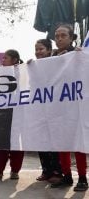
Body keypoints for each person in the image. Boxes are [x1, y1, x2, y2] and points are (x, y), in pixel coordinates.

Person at [50, 24, 88, 192]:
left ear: (72, 38)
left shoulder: (79, 54)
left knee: (78, 143)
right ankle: (66, 176)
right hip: (58, 108)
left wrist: (82, 57)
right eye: (57, 36)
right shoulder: (51, 57)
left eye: (63, 35)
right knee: (62, 143)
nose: (59, 39)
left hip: (76, 107)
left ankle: (82, 178)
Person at [0, 49, 24, 180]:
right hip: (0, 113)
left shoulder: (23, 72)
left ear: (14, 60)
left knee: (16, 143)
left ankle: (15, 171)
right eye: (2, 58)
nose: (2, 61)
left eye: (6, 58)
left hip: (17, 113)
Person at [33, 39, 63, 182]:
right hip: (39, 110)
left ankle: (57, 172)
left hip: (55, 110)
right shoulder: (34, 66)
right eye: (36, 49)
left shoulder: (57, 63)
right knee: (41, 141)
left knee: (54, 141)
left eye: (41, 49)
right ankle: (46, 171)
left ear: (49, 50)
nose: (38, 52)